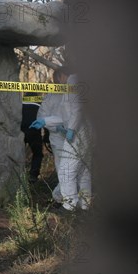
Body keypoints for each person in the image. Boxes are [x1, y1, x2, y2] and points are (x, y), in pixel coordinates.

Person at [31, 70, 92, 212]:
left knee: (66, 170)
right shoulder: (62, 91)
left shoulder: (73, 82)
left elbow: (77, 112)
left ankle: (68, 205)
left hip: (77, 134)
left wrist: (70, 129)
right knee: (83, 170)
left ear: (61, 76)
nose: (58, 82)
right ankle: (84, 205)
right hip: (74, 134)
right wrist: (46, 121)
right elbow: (66, 116)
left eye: (58, 78)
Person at [30, 67, 69, 204]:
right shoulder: (51, 96)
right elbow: (42, 116)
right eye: (61, 76)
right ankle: (63, 199)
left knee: (77, 169)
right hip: (57, 137)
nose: (62, 79)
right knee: (63, 168)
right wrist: (56, 127)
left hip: (76, 136)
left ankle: (65, 198)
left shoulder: (75, 93)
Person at [21, 92, 44, 183]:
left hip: (20, 130)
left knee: (18, 154)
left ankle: (18, 175)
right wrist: (46, 137)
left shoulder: (20, 103)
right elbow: (44, 119)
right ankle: (33, 176)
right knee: (38, 154)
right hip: (34, 131)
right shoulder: (39, 104)